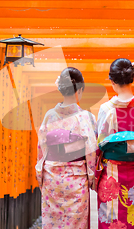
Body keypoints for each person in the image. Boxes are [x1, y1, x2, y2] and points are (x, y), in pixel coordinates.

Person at [95, 58, 134, 229]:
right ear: (133, 77)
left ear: (112, 81)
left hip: (110, 178)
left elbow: (98, 146)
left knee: (110, 223)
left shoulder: (106, 110)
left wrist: (93, 175)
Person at [35, 67, 97, 229]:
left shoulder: (49, 115)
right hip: (76, 179)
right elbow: (91, 151)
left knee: (52, 221)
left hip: (51, 177)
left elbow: (41, 147)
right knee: (76, 221)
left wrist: (40, 174)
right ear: (80, 89)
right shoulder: (86, 117)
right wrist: (91, 177)